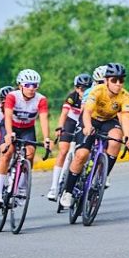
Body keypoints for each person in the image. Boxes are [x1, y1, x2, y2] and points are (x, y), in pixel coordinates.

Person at [59, 63, 129, 209]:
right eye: (114, 80)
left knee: (116, 139)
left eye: (121, 80)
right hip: (90, 119)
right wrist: (87, 127)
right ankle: (67, 192)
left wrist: (128, 135)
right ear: (106, 81)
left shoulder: (125, 96)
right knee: (81, 154)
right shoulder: (97, 91)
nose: (118, 84)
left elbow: (125, 117)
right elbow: (86, 112)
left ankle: (102, 175)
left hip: (108, 121)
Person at [0, 70, 51, 212]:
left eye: (35, 85)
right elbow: (7, 116)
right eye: (28, 85)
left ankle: (22, 189)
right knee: (7, 152)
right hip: (10, 126)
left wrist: (46, 138)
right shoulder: (12, 96)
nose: (31, 88)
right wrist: (8, 134)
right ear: (20, 86)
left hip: (27, 129)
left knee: (30, 153)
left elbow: (43, 119)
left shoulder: (41, 99)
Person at [47, 73, 92, 201]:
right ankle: (54, 187)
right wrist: (60, 127)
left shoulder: (91, 97)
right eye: (82, 89)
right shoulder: (72, 97)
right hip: (71, 122)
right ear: (77, 88)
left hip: (83, 123)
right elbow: (64, 113)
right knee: (63, 151)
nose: (84, 91)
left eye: (87, 88)